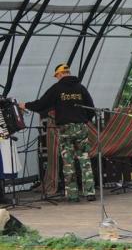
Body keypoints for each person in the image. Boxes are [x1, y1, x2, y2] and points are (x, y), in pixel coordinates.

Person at [19, 63, 96, 202]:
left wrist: (25, 105)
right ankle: (90, 193)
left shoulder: (57, 88)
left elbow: (41, 104)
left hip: (65, 129)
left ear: (60, 74)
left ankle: (73, 196)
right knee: (85, 160)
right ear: (68, 72)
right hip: (80, 128)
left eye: (57, 76)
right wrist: (84, 120)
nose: (57, 79)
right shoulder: (81, 88)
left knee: (68, 162)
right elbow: (91, 109)